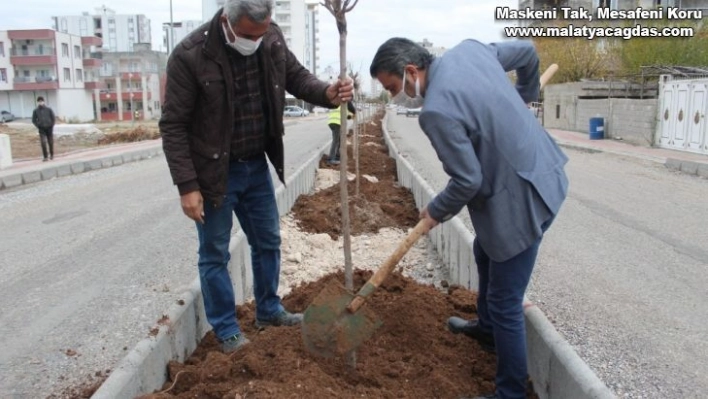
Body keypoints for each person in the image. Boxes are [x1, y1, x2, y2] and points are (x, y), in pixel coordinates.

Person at [370, 38, 569, 399]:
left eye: (392, 87)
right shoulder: (470, 50)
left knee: (507, 300)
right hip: (545, 173)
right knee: (482, 250)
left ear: (411, 71)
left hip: (522, 201)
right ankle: (488, 330)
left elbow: (467, 180)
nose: (394, 96)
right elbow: (527, 52)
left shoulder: (436, 112)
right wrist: (524, 93)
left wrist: (435, 211)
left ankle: (509, 391)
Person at [159, 0, 353, 354]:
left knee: (268, 241)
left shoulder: (271, 38)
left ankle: (268, 310)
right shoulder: (190, 55)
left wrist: (327, 92)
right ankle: (227, 329)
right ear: (227, 21)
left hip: (255, 166)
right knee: (215, 253)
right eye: (249, 35)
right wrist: (187, 186)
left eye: (262, 34)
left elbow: (297, 77)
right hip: (214, 174)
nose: (256, 42)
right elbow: (173, 126)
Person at [326, 101, 356, 165]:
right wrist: (353, 115)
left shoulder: (336, 104)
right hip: (337, 123)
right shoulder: (344, 106)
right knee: (335, 141)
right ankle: (331, 159)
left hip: (331, 123)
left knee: (339, 140)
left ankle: (337, 156)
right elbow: (348, 116)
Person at [31, 96, 56, 161]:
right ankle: (45, 156)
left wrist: (52, 125)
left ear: (44, 101)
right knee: (43, 142)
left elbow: (53, 118)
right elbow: (33, 120)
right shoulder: (36, 110)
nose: (40, 103)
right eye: (39, 101)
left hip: (49, 128)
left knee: (50, 142)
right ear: (37, 102)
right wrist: (38, 125)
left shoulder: (49, 109)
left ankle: (52, 155)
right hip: (42, 129)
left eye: (41, 101)